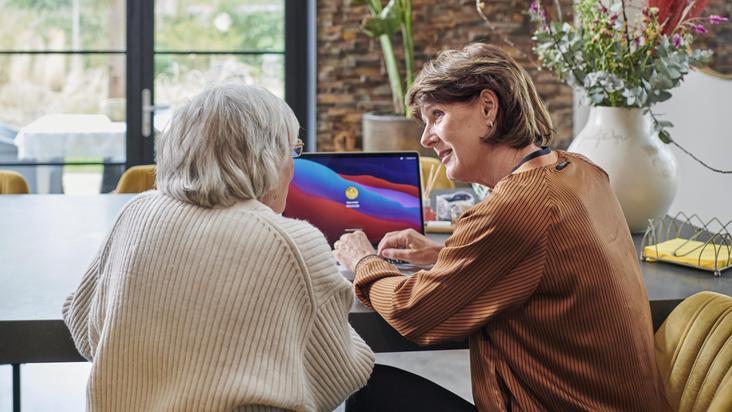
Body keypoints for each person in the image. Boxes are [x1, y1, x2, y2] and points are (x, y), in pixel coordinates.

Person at [335, 43, 666, 411]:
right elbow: (541, 262)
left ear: (488, 108)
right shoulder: (582, 171)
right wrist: (444, 255)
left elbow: (413, 312)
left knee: (370, 388)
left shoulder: (514, 208)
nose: (425, 137)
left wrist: (363, 259)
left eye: (437, 115)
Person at [63, 84, 374, 411]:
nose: (292, 166)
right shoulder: (293, 242)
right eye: (291, 151)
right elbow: (340, 372)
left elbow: (83, 324)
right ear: (265, 157)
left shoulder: (136, 212)